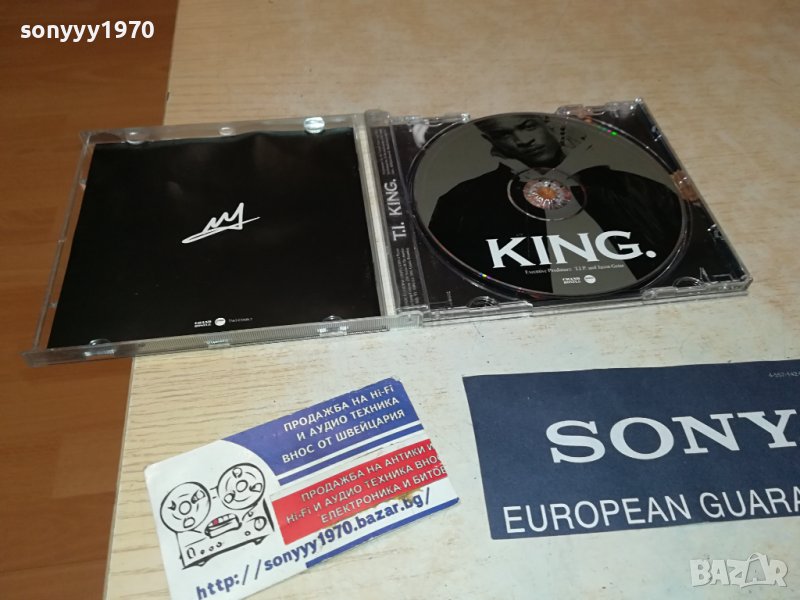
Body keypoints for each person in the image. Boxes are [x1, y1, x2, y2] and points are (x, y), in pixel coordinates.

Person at [425, 114, 685, 294]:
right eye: (503, 134)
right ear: (489, 140)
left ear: (548, 123)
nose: (523, 140)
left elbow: (681, 253)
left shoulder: (637, 188)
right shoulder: (462, 201)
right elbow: (446, 277)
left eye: (528, 126)